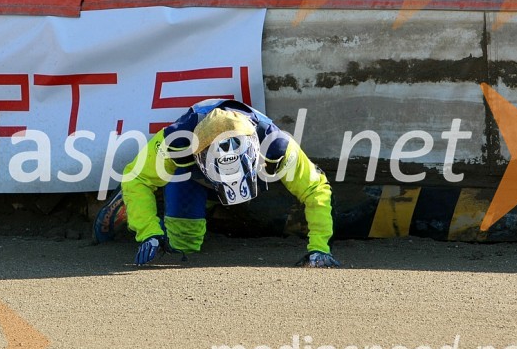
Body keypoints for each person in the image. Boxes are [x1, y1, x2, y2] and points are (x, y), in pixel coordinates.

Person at [93, 99, 339, 268]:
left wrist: (319, 248)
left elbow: (315, 188)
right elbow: (136, 177)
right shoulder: (177, 142)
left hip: (251, 173)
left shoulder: (277, 145)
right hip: (191, 174)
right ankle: (130, 202)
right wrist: (150, 233)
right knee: (183, 247)